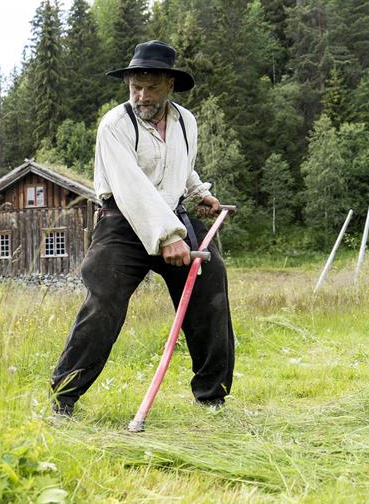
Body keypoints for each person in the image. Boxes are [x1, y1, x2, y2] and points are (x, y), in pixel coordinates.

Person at [50, 40, 235, 417]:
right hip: (122, 223)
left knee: (211, 283)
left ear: (170, 85)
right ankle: (63, 399)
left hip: (172, 214)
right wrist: (168, 237)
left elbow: (180, 167)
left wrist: (198, 193)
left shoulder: (185, 121)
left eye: (151, 87)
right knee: (104, 302)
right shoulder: (115, 125)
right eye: (135, 86)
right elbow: (131, 188)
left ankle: (212, 396)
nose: (141, 95)